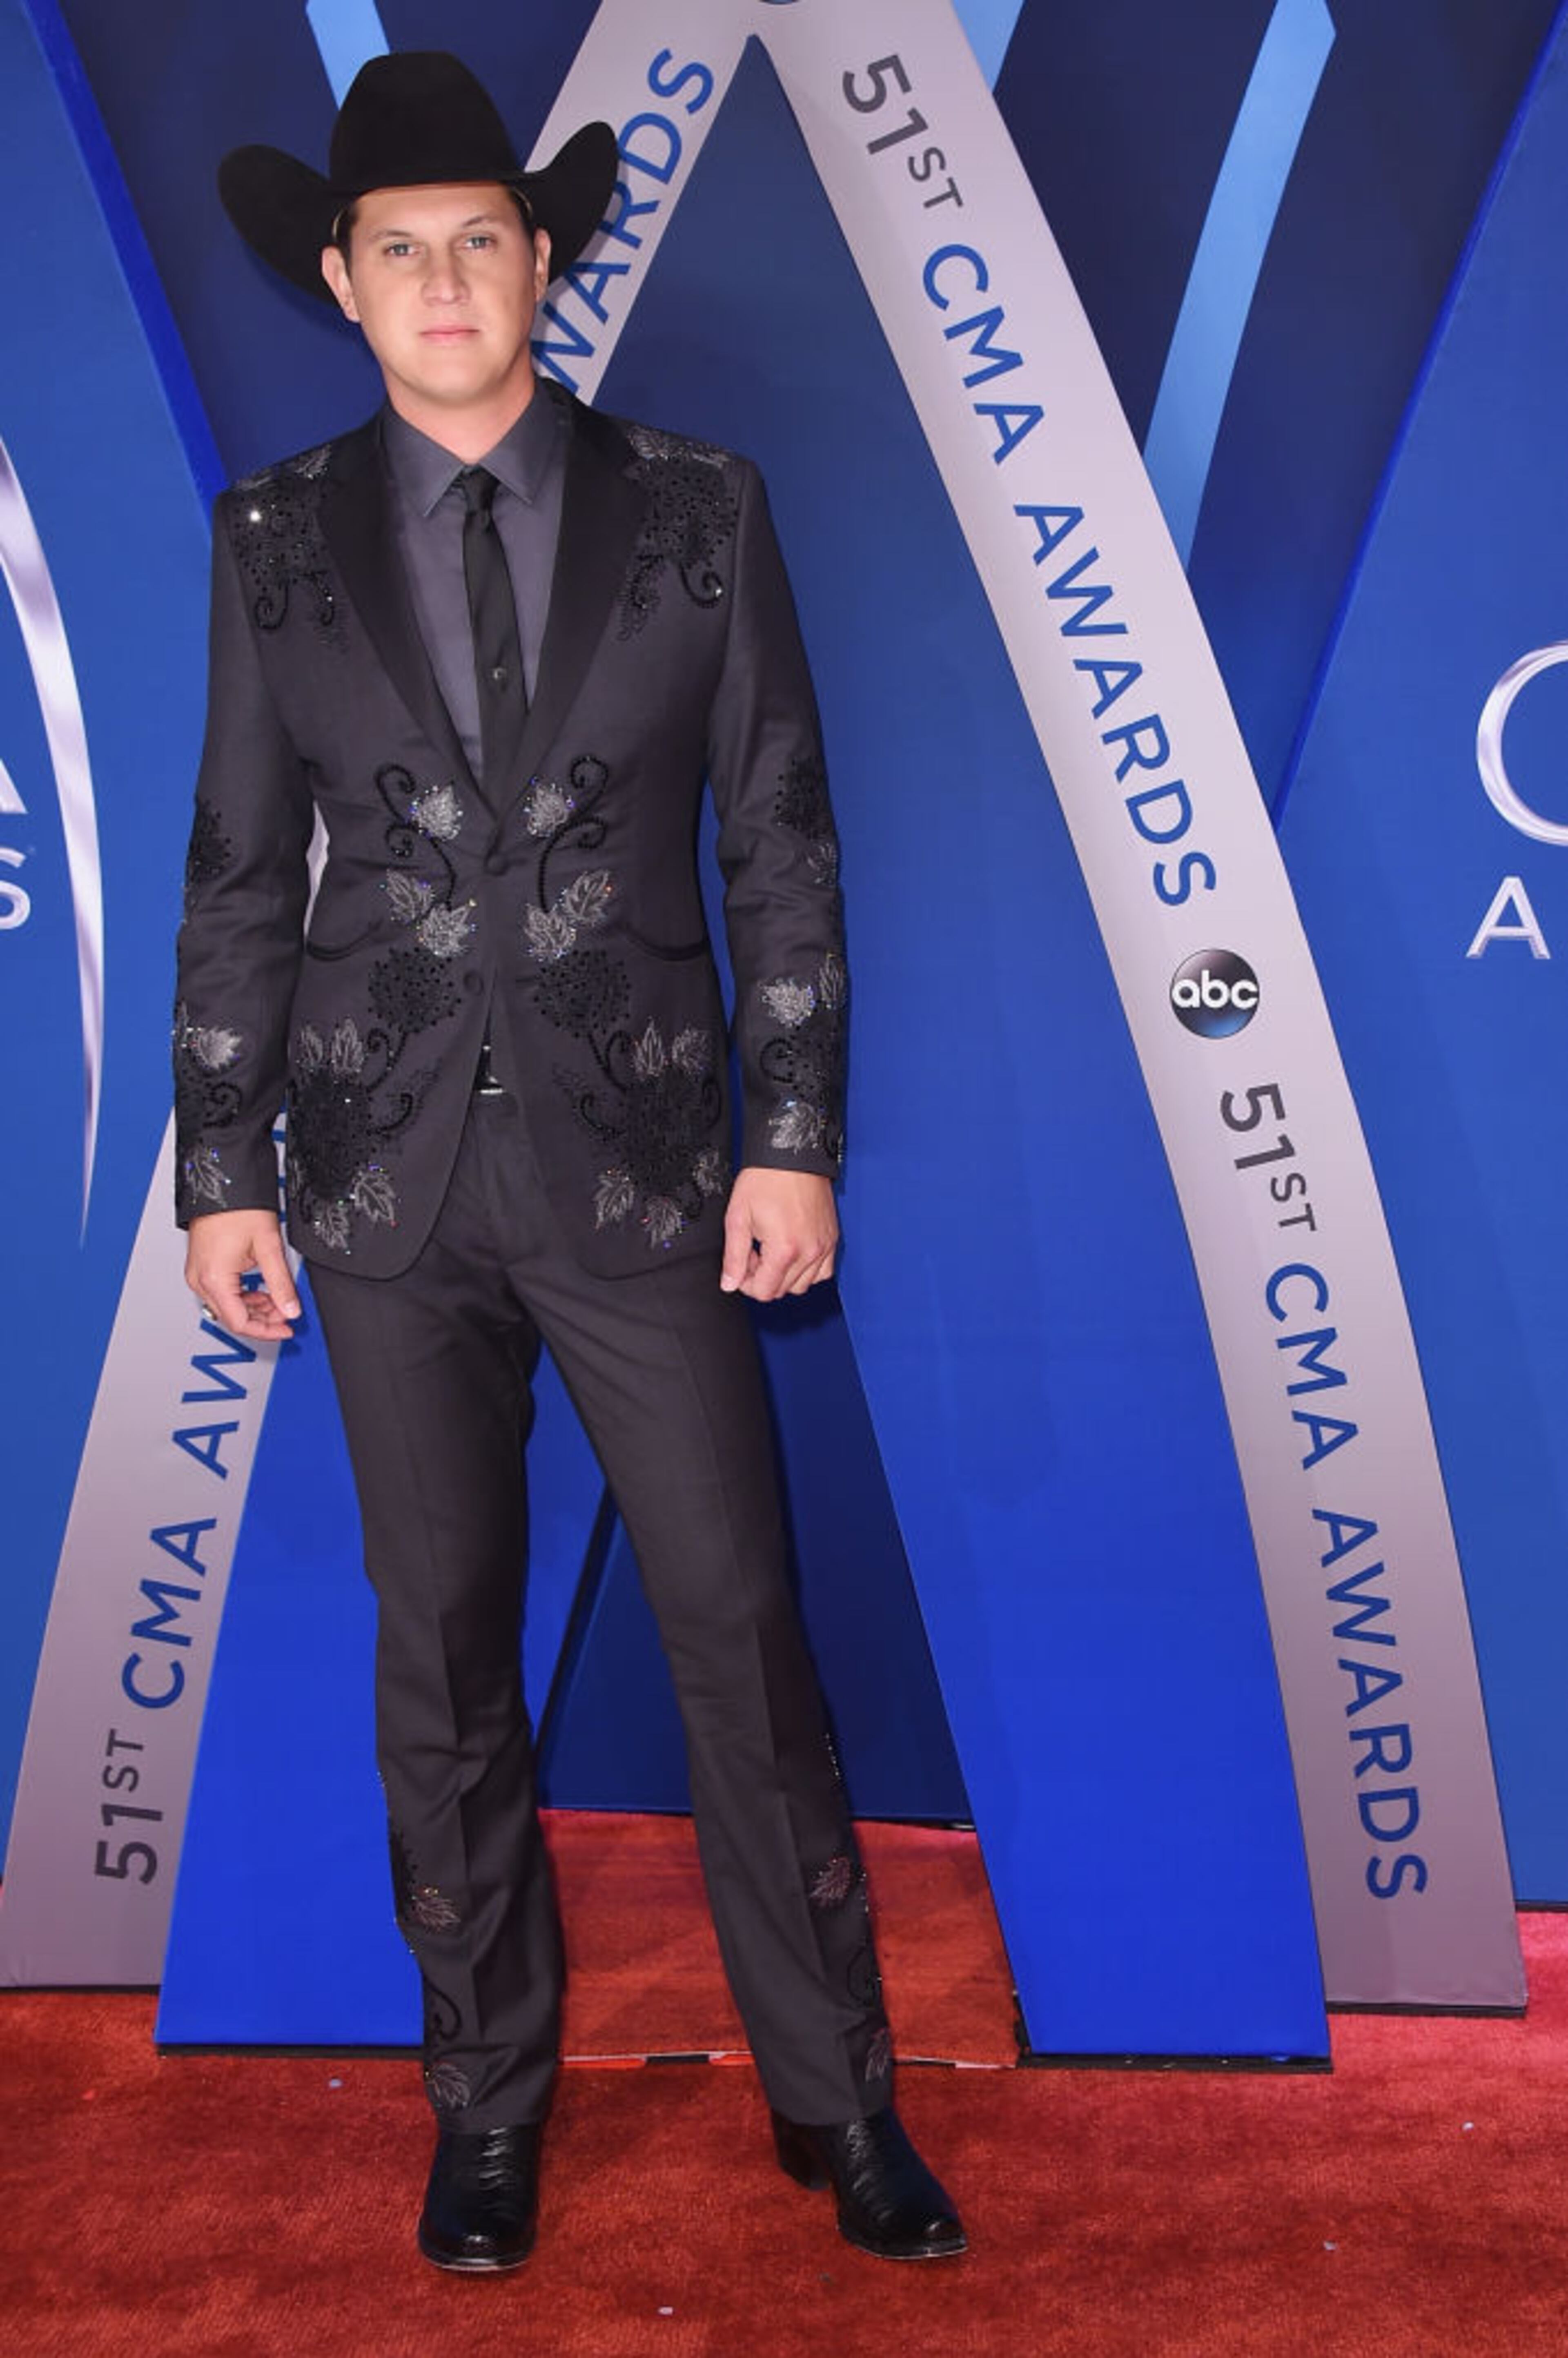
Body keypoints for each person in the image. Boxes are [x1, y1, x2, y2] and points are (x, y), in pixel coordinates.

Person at [174, 51, 964, 2274]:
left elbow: (781, 841)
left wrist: (788, 1136)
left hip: (644, 1177)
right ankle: (488, 2107)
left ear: (544, 259)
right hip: (380, 1188)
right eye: (399, 249)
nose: (445, 281)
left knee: (739, 1631)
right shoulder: (267, 537)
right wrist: (220, 1164)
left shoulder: (705, 508)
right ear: (344, 283)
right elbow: (241, 868)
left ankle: (841, 2105)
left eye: (482, 240)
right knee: (441, 1655)